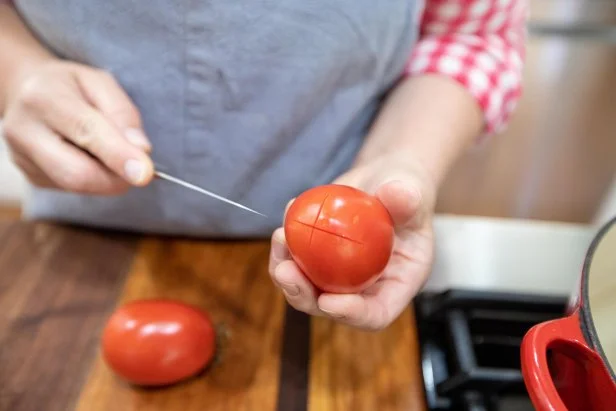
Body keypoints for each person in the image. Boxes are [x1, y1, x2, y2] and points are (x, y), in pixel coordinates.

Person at [0, 0, 528, 330]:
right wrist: (21, 73)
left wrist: (400, 160)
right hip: (81, 238)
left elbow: (470, 35)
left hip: (352, 201)